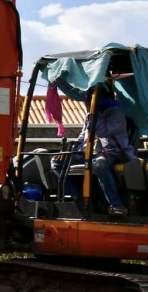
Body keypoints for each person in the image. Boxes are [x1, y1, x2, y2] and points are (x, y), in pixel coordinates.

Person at [54, 84, 138, 216]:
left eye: (90, 100)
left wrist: (95, 113)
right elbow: (82, 138)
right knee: (56, 162)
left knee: (99, 164)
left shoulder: (116, 114)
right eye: (87, 100)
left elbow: (101, 131)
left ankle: (116, 205)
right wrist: (68, 152)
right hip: (89, 154)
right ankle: (77, 198)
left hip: (112, 153)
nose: (87, 103)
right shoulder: (90, 115)